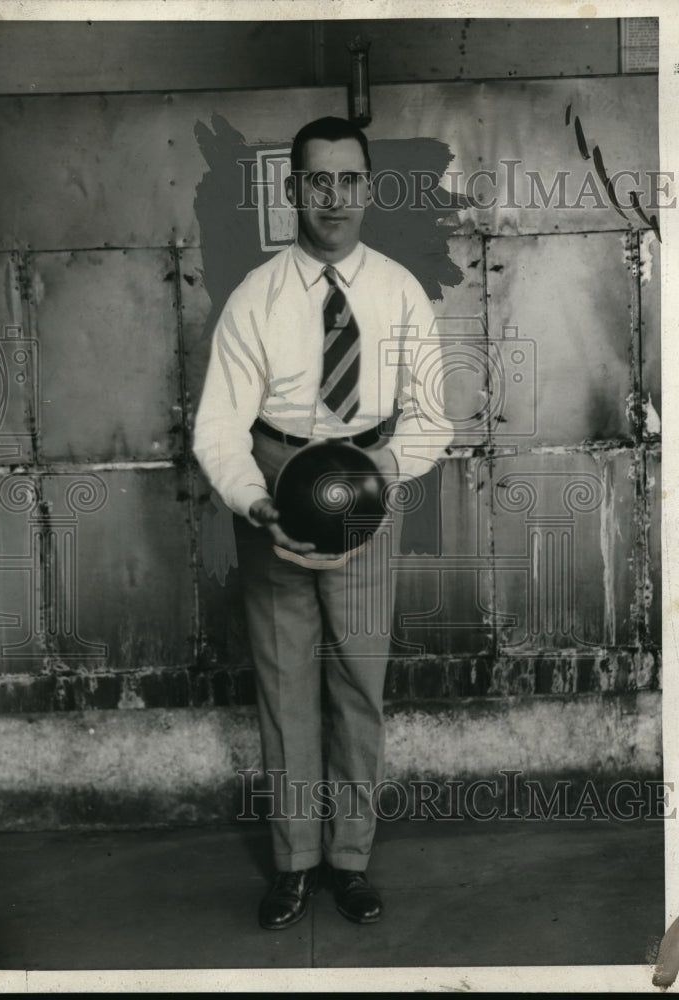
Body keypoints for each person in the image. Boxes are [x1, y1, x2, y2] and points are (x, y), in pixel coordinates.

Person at [193, 116, 447, 929]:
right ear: (293, 190)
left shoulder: (400, 291)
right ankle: (293, 863)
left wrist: (380, 472)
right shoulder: (255, 298)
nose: (333, 198)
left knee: (357, 687)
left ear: (367, 189)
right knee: (283, 686)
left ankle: (349, 861)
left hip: (367, 486)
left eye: (348, 180)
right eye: (317, 181)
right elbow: (217, 428)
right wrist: (255, 498)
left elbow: (432, 417)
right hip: (276, 485)